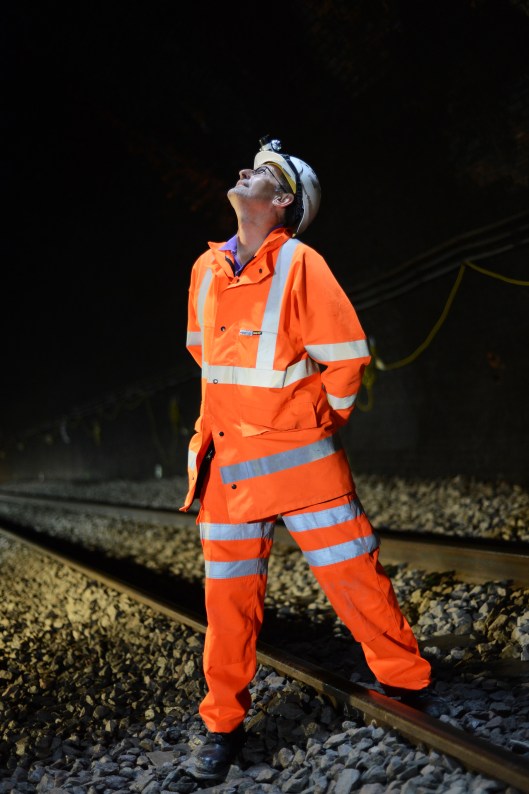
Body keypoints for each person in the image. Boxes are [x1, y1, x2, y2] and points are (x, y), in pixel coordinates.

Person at [180, 136, 434, 781]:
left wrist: (313, 419)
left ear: (283, 201)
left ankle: (407, 688)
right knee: (227, 608)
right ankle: (222, 728)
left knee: (354, 577)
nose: (242, 172)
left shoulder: (300, 264)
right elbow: (203, 358)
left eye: (259, 172)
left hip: (302, 464)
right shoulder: (204, 271)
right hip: (228, 471)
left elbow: (347, 357)